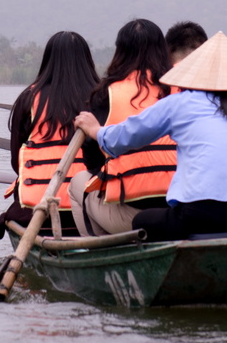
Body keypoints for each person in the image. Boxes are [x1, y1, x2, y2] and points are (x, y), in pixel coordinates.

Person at [73, 32, 227, 241]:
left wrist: (95, 130)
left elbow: (120, 140)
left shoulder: (179, 104)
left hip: (202, 216)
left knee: (142, 220)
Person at [69, 19, 176, 235]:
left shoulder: (107, 91)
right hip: (181, 210)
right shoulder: (183, 88)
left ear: (120, 52)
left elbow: (92, 160)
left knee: (79, 182)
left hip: (132, 215)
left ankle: (100, 252)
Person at [0, 31, 102, 237]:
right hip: (92, 210)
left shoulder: (28, 99)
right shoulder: (102, 98)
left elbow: (16, 161)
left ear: (48, 61)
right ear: (87, 61)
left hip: (37, 212)